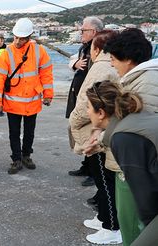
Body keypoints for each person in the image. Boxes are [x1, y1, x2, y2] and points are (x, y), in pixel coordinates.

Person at [85, 28, 158, 245]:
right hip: (132, 160)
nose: (112, 65)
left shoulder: (147, 82)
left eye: (114, 59)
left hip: (135, 167)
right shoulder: (140, 78)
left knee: (134, 226)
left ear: (128, 59)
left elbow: (136, 131)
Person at [69, 30, 121, 244]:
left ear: (97, 48)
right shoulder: (108, 65)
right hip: (97, 128)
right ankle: (103, 218)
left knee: (104, 180)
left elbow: (88, 100)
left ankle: (111, 227)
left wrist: (74, 119)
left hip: (95, 130)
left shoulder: (101, 67)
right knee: (102, 179)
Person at [0, 18, 53, 174]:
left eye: (21, 38)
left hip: (32, 101)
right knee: (14, 133)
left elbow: (46, 74)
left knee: (29, 132)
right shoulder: (7, 53)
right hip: (12, 103)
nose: (17, 41)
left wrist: (48, 95)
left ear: (29, 37)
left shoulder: (39, 51)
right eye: (15, 37)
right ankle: (16, 159)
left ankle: (26, 156)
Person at [67, 17, 103, 187]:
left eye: (84, 30)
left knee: (91, 133)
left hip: (89, 100)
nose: (81, 33)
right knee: (84, 133)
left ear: (94, 32)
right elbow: (72, 60)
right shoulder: (85, 48)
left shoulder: (98, 48)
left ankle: (93, 172)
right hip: (79, 96)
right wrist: (74, 63)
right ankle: (86, 166)